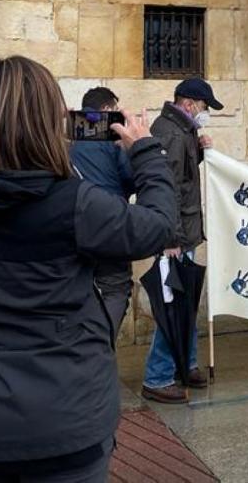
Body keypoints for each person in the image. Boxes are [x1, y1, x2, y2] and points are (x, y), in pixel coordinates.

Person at [0, 56, 176, 482]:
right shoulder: (74, 203)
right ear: (46, 123)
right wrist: (145, 151)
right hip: (66, 419)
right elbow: (159, 226)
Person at [141, 76, 223, 404]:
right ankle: (157, 377)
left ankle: (185, 364)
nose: (205, 113)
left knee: (185, 304)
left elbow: (184, 176)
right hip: (174, 238)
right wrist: (171, 237)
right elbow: (166, 188)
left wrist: (201, 152)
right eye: (204, 107)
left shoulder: (183, 131)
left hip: (183, 235)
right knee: (173, 306)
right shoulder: (170, 133)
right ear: (188, 103)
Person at [69, 86, 137, 330]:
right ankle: (101, 346)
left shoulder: (66, 131)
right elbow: (130, 177)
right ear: (107, 109)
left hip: (71, 222)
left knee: (77, 287)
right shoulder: (111, 133)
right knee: (116, 287)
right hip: (109, 222)